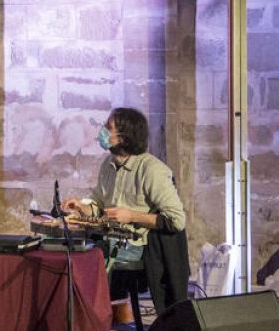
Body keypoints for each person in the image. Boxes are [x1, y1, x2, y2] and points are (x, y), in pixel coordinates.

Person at [64, 107, 190, 313]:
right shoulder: (108, 164)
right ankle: (78, 316)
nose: (103, 131)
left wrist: (131, 216)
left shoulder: (152, 170)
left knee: (91, 256)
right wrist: (81, 206)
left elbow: (176, 220)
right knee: (70, 249)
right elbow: (98, 205)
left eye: (108, 128)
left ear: (123, 137)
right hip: (110, 236)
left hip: (136, 245)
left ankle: (94, 316)